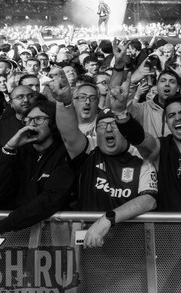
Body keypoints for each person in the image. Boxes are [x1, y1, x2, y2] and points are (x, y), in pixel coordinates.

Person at [50, 71, 157, 248]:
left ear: (124, 131)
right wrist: (64, 103)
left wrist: (107, 219)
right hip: (89, 243)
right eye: (102, 125)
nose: (108, 129)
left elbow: (149, 200)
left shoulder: (140, 158)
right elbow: (69, 134)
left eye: (113, 125)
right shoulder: (90, 149)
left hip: (128, 246)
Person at [0, 100, 81, 250]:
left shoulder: (66, 154)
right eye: (28, 120)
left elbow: (49, 200)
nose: (31, 124)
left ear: (54, 122)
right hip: (16, 236)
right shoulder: (18, 152)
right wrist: (8, 149)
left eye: (39, 119)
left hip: (54, 240)